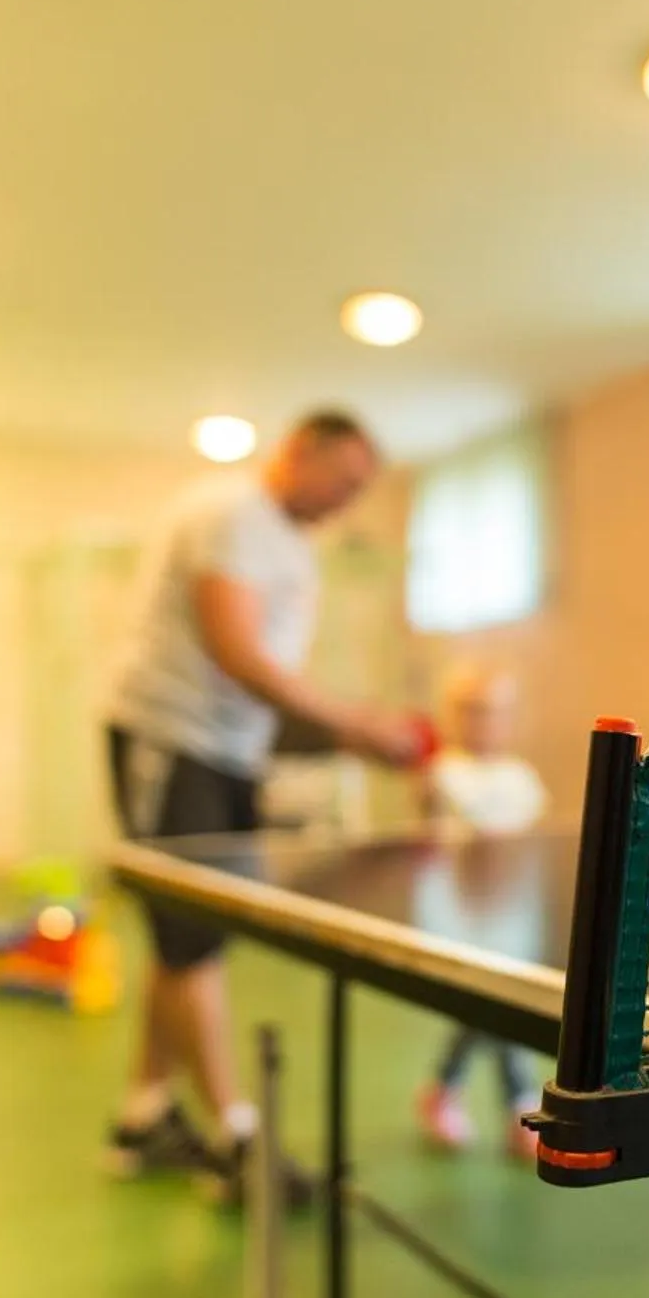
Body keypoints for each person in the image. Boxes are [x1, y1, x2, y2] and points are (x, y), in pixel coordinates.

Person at [103, 409, 425, 1201]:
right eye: (343, 483)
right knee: (191, 941)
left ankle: (144, 1113)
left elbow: (263, 702)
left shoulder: (293, 548)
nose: (344, 504)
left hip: (226, 753)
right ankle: (238, 1139)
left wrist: (353, 737)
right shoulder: (231, 513)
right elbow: (237, 654)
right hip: (171, 740)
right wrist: (353, 723)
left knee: (185, 936)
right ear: (298, 453)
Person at [413, 665, 549, 1158]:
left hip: (510, 919)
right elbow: (430, 832)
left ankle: (445, 1092)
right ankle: (518, 1108)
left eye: (492, 712)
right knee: (492, 1008)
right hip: (457, 918)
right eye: (471, 710)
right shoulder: (443, 773)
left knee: (496, 1009)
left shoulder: (522, 778)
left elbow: (533, 845)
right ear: (454, 716)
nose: (483, 721)